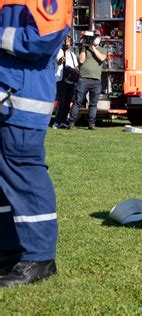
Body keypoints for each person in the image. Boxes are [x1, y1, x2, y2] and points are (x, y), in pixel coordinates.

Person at [0, 0, 71, 287]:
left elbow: (42, 40)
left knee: (25, 174)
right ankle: (8, 247)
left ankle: (40, 258)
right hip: (10, 98)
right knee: (6, 178)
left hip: (22, 100)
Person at [68, 33, 108, 130]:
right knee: (77, 101)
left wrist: (92, 48)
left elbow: (102, 58)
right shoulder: (84, 49)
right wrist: (83, 47)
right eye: (95, 38)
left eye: (97, 37)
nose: (96, 39)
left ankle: (91, 124)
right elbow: (81, 61)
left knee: (93, 104)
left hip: (96, 81)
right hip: (83, 79)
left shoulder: (103, 50)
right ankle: (71, 123)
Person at [53, 34, 78, 129]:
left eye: (68, 42)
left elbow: (76, 67)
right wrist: (61, 59)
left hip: (70, 81)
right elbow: (58, 62)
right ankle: (57, 122)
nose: (66, 43)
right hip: (60, 79)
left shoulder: (72, 55)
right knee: (61, 102)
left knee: (67, 102)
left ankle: (63, 121)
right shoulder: (58, 51)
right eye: (65, 41)